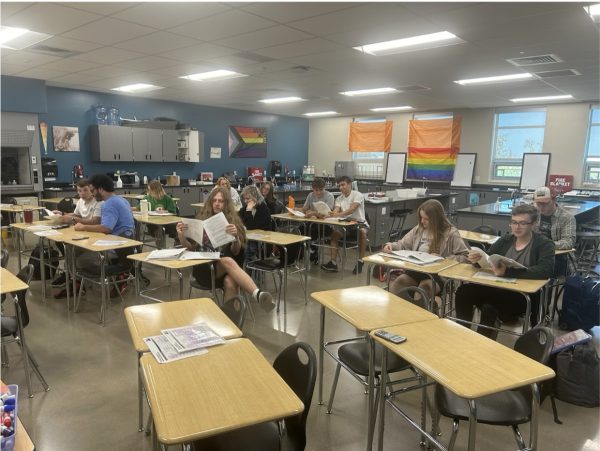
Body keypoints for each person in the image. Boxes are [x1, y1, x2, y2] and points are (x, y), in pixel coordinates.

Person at [454, 204, 555, 339]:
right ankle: (460, 334)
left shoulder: (544, 244)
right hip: (497, 287)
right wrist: (477, 260)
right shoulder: (506, 240)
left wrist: (508, 272)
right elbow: (489, 258)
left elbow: (546, 270)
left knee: (489, 307)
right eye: (513, 222)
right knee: (463, 292)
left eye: (522, 223)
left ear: (534, 224)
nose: (517, 227)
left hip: (521, 294)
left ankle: (480, 344)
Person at [176, 187, 275, 312]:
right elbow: (190, 249)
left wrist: (235, 238)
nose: (217, 203)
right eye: (214, 200)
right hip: (205, 269)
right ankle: (258, 294)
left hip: (228, 270)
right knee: (226, 260)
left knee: (230, 281)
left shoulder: (233, 222)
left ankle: (231, 322)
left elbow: (236, 252)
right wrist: (181, 236)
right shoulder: (201, 220)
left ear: (226, 204)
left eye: (221, 201)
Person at [382, 199, 469, 302]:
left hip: (438, 275)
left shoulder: (451, 233)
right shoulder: (419, 229)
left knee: (424, 289)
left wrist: (443, 259)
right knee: (398, 284)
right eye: (421, 217)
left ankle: (419, 316)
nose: (422, 221)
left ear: (436, 219)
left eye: (426, 219)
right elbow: (403, 244)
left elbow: (465, 257)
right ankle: (400, 314)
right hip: (417, 270)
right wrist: (391, 246)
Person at [74, 174, 136, 275]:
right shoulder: (121, 199)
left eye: (93, 190)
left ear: (101, 189)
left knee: (81, 260)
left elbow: (106, 228)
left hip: (118, 247)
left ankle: (82, 284)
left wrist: (83, 227)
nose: (92, 194)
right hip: (127, 246)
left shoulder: (109, 204)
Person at [51, 178, 103, 289]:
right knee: (68, 247)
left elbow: (95, 221)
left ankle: (75, 278)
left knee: (72, 249)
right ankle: (73, 277)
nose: (82, 193)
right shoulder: (80, 201)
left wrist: (73, 220)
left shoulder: (98, 202)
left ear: (92, 190)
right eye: (79, 191)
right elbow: (77, 215)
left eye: (85, 190)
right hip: (82, 232)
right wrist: (63, 214)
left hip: (94, 234)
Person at [320, 176, 369, 274]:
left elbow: (351, 209)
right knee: (334, 235)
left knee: (362, 232)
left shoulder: (357, 195)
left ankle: (361, 260)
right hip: (346, 224)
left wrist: (337, 214)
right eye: (339, 186)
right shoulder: (339, 198)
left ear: (349, 184)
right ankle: (333, 263)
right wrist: (328, 215)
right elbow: (336, 211)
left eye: (343, 185)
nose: (341, 188)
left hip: (359, 223)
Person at [533, 186, 576, 276]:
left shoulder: (567, 217)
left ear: (554, 200)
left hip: (557, 257)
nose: (541, 207)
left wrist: (545, 245)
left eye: (545, 204)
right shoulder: (533, 213)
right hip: (535, 253)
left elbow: (569, 242)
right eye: (538, 204)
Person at [301, 177, 335, 263]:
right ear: (313, 189)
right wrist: (296, 210)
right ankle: (302, 251)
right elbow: (305, 208)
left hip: (326, 225)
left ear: (324, 188)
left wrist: (313, 213)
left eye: (321, 189)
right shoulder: (310, 195)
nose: (318, 192)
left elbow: (327, 213)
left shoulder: (329, 196)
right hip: (312, 222)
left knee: (313, 230)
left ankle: (313, 249)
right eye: (316, 190)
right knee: (301, 228)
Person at [240, 185, 272, 264]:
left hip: (262, 243)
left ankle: (249, 274)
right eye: (244, 199)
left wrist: (249, 210)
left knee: (248, 249)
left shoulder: (263, 208)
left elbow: (250, 227)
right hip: (249, 239)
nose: (245, 201)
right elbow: (238, 220)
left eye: (248, 198)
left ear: (255, 198)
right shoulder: (245, 208)